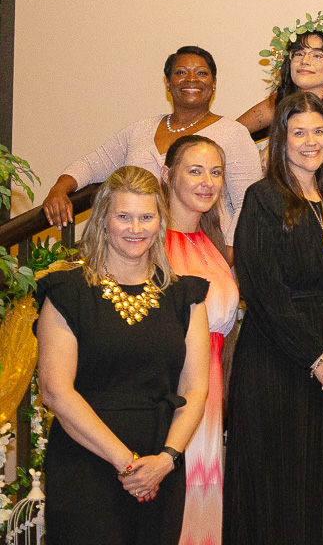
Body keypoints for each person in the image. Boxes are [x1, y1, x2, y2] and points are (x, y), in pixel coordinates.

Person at [224, 92, 323, 545]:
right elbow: (262, 291)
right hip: (278, 361)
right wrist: (317, 358)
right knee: (278, 488)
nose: (312, 141)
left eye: (319, 131)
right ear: (280, 140)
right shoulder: (263, 198)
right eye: (299, 132)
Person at [36, 166, 210, 544]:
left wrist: (166, 458)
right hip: (86, 462)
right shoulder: (68, 292)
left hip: (160, 466)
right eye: (124, 216)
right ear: (103, 220)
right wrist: (126, 463)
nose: (136, 228)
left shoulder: (186, 296)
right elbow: (55, 391)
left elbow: (196, 389)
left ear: (160, 223)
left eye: (146, 217)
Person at [42, 46, 262, 248]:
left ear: (214, 83)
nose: (191, 79)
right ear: (168, 83)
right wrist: (59, 190)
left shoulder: (233, 134)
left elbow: (248, 204)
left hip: (205, 254)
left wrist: (227, 256)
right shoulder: (141, 130)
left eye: (202, 73)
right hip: (139, 251)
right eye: (181, 72)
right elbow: (91, 164)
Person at [161, 136, 240, 545]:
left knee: (202, 499)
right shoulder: (151, 242)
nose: (208, 182)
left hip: (210, 393)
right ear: (167, 174)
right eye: (195, 171)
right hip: (172, 392)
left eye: (215, 172)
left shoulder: (211, 243)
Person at [237, 14, 323, 181]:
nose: (305, 60)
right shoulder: (280, 103)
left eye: (317, 56)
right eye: (298, 54)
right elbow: (231, 131)